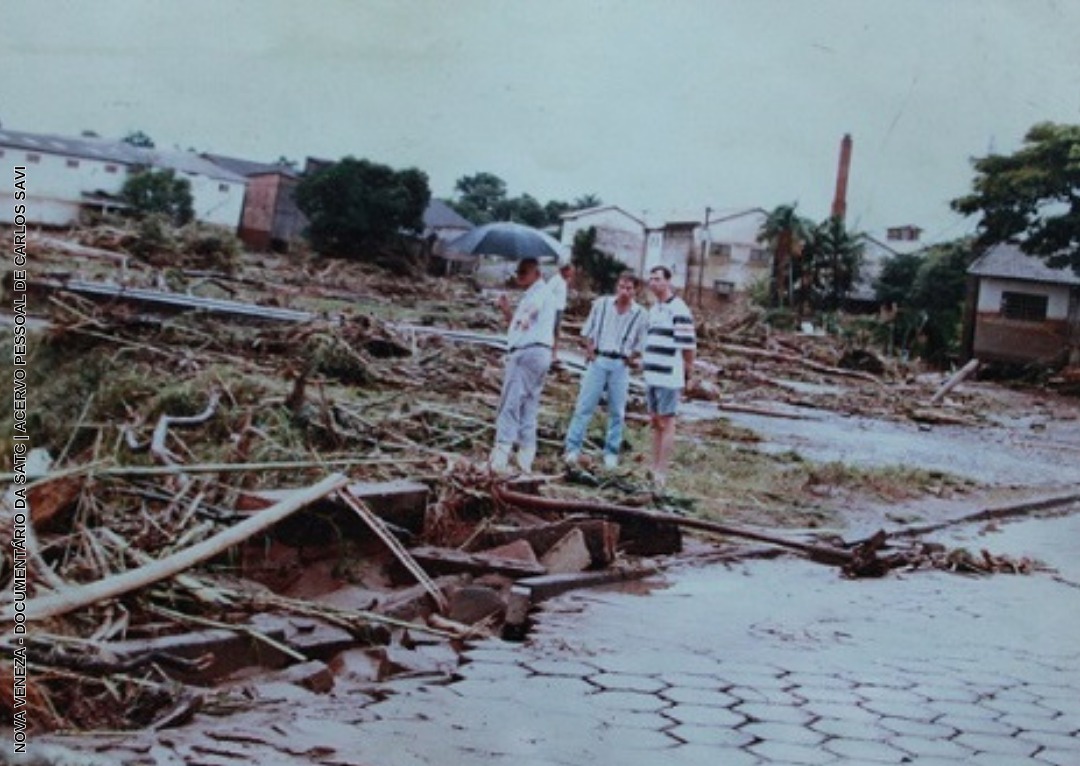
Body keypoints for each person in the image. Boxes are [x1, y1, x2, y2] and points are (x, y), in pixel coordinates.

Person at [563, 271, 647, 470]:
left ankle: (611, 452)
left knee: (617, 411)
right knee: (584, 406)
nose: (624, 292)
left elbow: (642, 342)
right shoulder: (601, 305)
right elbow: (587, 331)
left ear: (635, 291)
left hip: (620, 364)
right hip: (599, 359)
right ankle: (572, 448)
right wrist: (590, 350)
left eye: (629, 288)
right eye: (621, 287)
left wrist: (631, 357)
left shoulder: (641, 314)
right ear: (616, 287)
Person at [490, 257, 557, 473]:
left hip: (527, 353)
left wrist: (527, 315)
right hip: (538, 353)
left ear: (537, 273)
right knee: (529, 404)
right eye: (518, 272)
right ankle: (526, 457)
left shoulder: (540, 292)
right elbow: (519, 326)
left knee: (510, 403)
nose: (519, 276)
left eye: (524, 272)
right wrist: (507, 310)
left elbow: (533, 311)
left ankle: (501, 456)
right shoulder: (531, 294)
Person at [642, 265, 696, 488]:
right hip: (652, 374)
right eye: (651, 279)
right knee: (655, 421)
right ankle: (653, 467)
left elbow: (688, 346)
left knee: (667, 421)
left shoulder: (679, 309)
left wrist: (689, 373)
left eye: (658, 279)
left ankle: (662, 471)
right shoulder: (654, 309)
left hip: (668, 375)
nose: (653, 283)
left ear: (668, 281)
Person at [547, 257, 574, 367]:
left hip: (560, 309)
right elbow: (547, 293)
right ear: (564, 270)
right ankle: (549, 354)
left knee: (556, 333)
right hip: (553, 309)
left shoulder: (564, 281)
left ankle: (554, 354)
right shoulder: (555, 280)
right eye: (569, 271)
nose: (571, 274)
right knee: (551, 332)